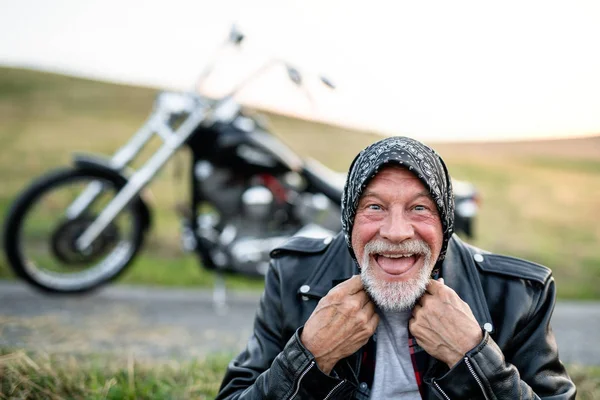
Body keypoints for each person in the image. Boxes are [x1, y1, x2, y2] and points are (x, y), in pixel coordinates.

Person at [216, 136, 576, 399]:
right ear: (349, 219)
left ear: (445, 220)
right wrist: (311, 355)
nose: (396, 232)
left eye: (419, 208)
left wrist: (473, 356)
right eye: (374, 207)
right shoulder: (291, 274)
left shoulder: (520, 293)